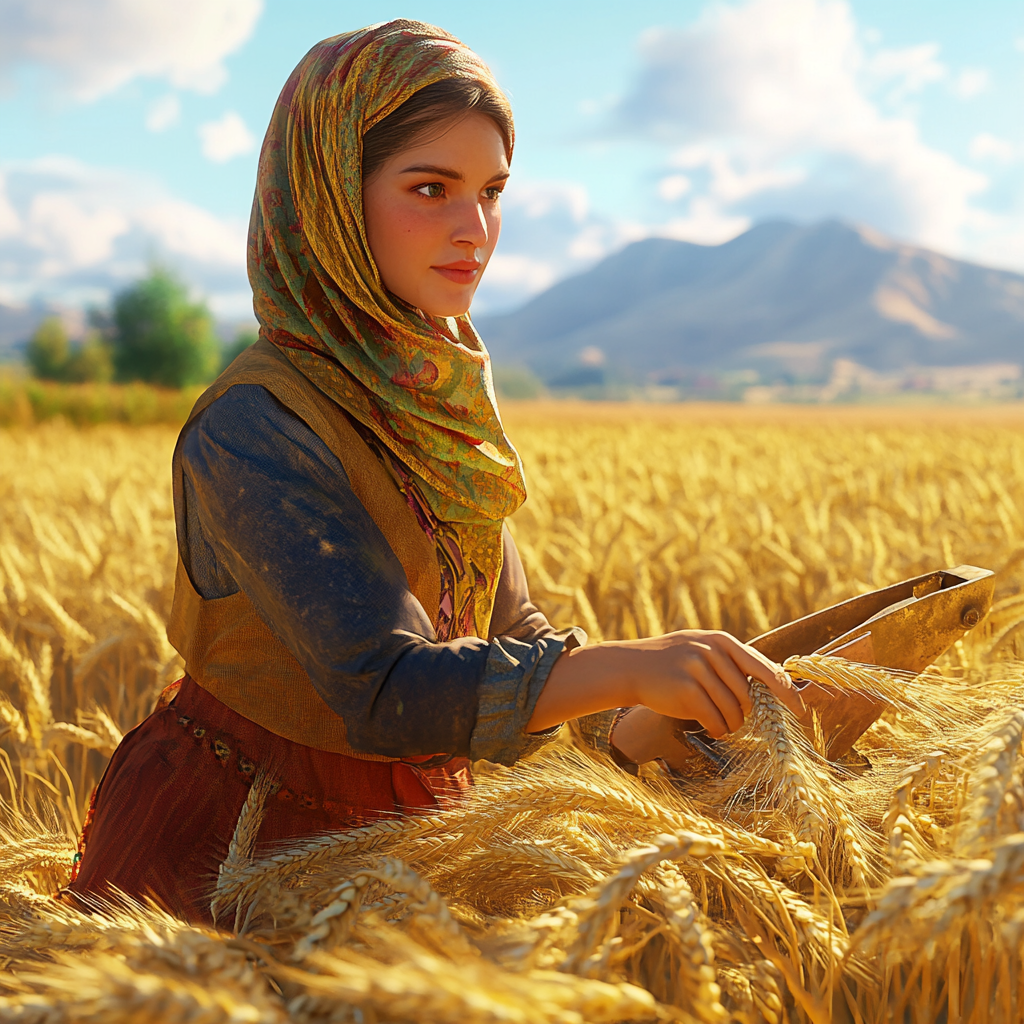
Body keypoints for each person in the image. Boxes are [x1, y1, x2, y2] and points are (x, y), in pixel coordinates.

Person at [66, 20, 802, 923]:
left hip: (407, 847)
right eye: (431, 188)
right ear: (332, 196)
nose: (477, 229)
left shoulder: (432, 400)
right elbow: (385, 687)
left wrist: (640, 721)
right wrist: (625, 669)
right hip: (232, 854)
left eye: (493, 192)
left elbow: (509, 632)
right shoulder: (255, 423)